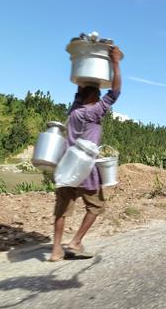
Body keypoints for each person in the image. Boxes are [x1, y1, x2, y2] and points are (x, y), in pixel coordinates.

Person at [49, 46, 122, 262]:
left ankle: (55, 250)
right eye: (97, 94)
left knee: (62, 210)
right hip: (86, 169)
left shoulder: (74, 111)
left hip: (66, 166)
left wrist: (82, 59)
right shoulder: (93, 111)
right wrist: (115, 62)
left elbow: (80, 90)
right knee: (96, 207)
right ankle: (76, 241)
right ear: (91, 96)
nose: (100, 96)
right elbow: (115, 92)